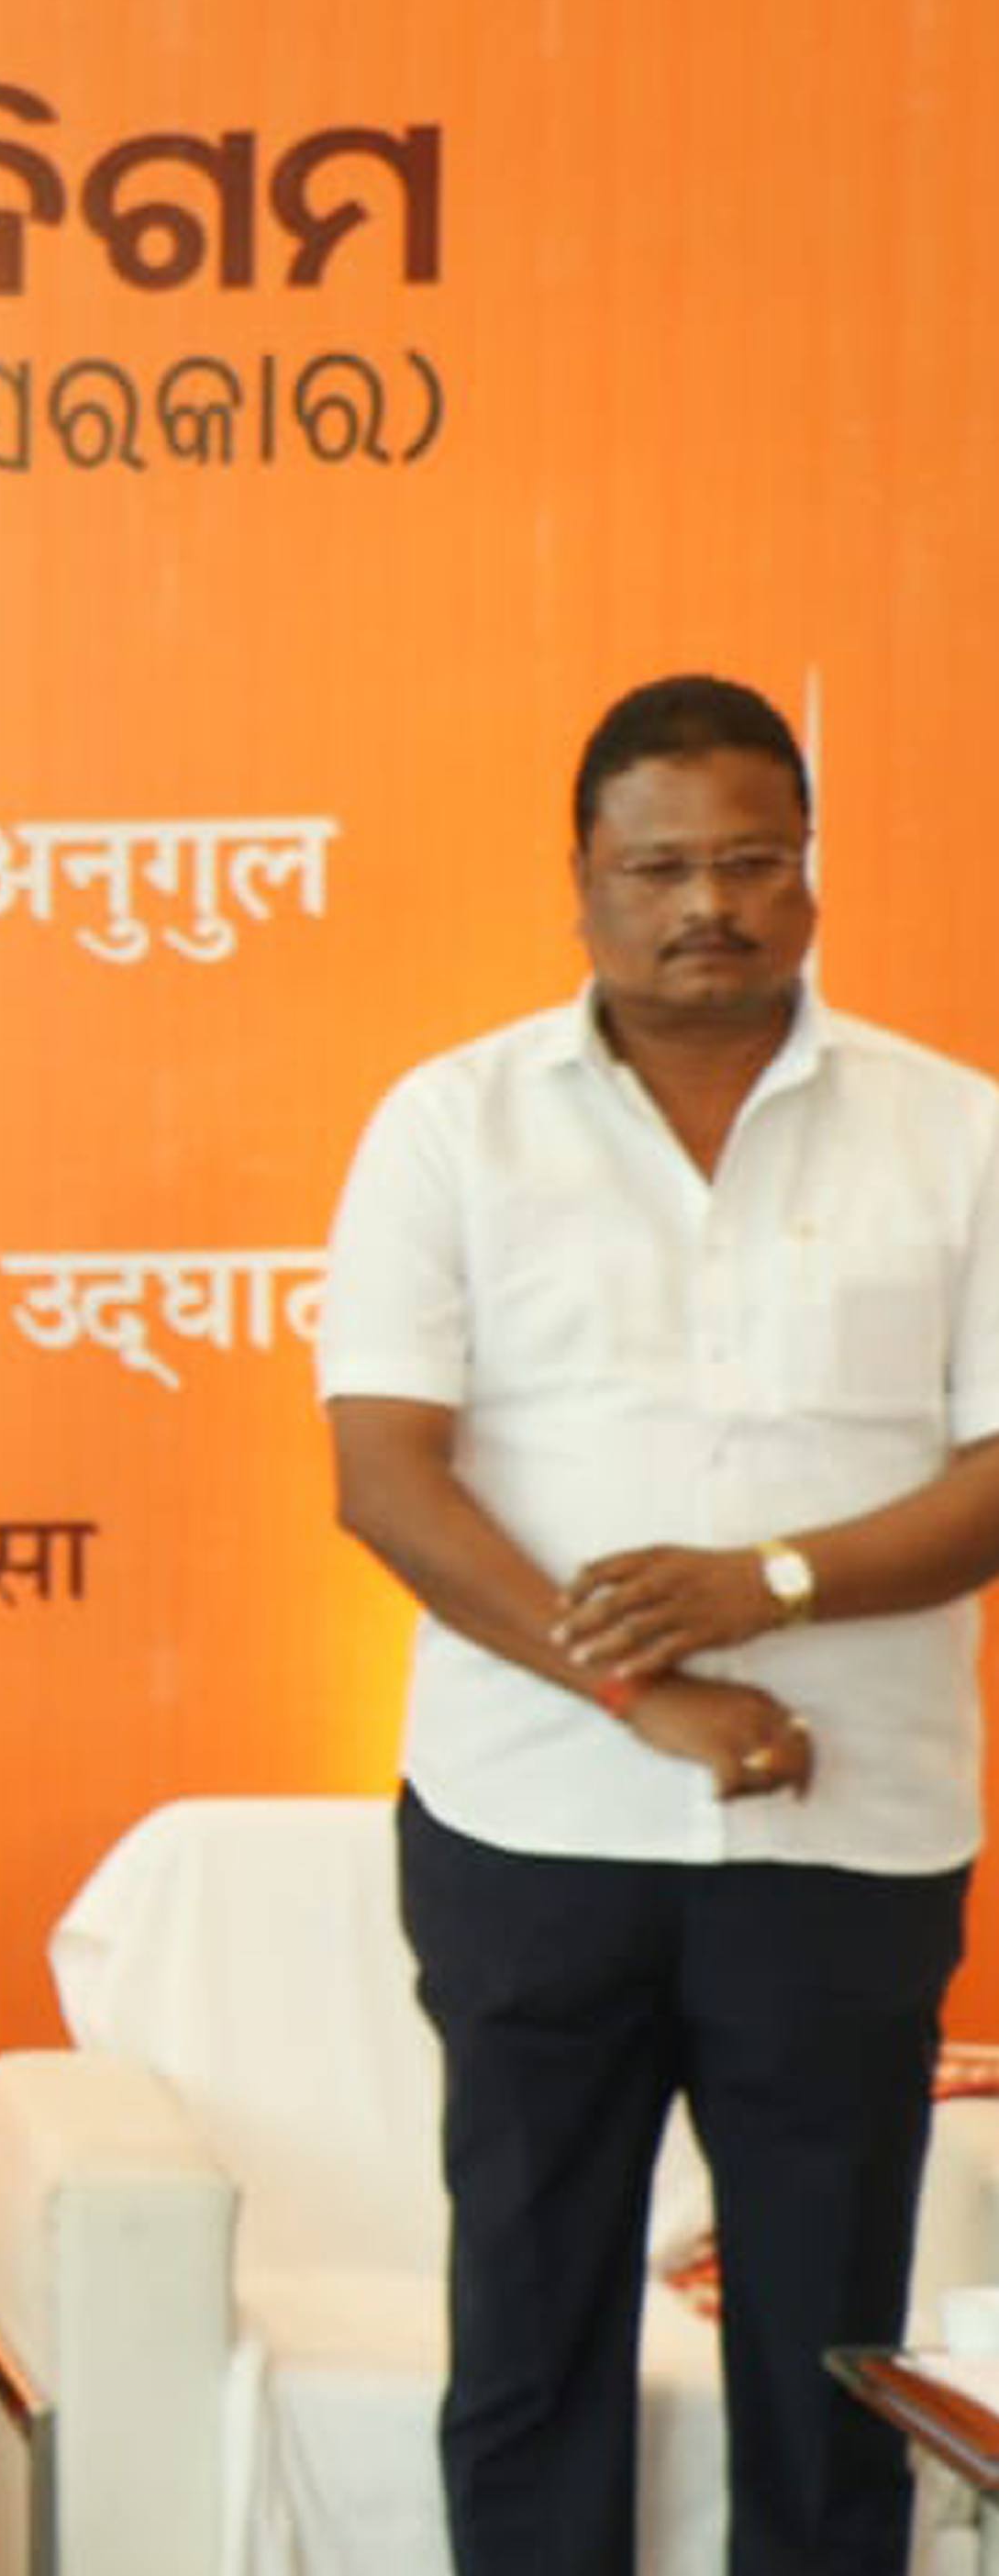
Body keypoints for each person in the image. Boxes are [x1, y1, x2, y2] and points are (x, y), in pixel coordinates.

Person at [320, 673, 999, 2576]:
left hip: (847, 1825)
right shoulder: (451, 1124)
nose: (710, 902)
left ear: (812, 873)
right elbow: (385, 1476)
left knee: (827, 2362)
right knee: (530, 2341)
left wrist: (769, 1582)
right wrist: (641, 1684)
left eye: (753, 860)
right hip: (531, 1818)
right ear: (583, 881)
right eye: (661, 867)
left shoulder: (957, 1132)